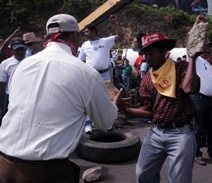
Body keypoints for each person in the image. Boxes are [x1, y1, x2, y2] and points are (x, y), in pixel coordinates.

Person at [0, 13, 123, 183]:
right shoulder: (86, 73)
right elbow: (106, 122)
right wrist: (114, 105)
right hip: (45, 172)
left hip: (4, 164)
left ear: (47, 37)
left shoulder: (22, 66)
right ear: (75, 35)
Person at [119, 30, 200, 182]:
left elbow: (189, 88)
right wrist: (124, 109)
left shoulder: (181, 68)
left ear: (164, 51)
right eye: (145, 54)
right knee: (143, 174)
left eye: (151, 53)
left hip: (181, 133)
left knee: (179, 180)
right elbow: (148, 111)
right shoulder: (147, 79)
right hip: (155, 132)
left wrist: (193, 58)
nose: (147, 58)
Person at [191, 43, 212, 166]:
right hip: (198, 98)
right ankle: (196, 154)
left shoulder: (208, 64)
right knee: (198, 128)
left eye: (210, 51)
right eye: (206, 50)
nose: (208, 53)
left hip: (210, 99)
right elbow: (191, 44)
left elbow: (208, 81)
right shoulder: (195, 60)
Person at [78, 14, 123, 81]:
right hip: (91, 75)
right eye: (84, 32)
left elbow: (120, 37)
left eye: (87, 31)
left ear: (93, 31)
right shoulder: (84, 45)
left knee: (106, 91)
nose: (85, 34)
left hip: (105, 75)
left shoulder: (105, 41)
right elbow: (81, 60)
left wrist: (116, 23)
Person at [0, 37, 27, 120]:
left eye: (22, 49)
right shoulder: (5, 64)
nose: (20, 52)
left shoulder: (31, 61)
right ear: (11, 50)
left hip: (27, 97)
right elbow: (1, 85)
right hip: (11, 98)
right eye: (17, 50)